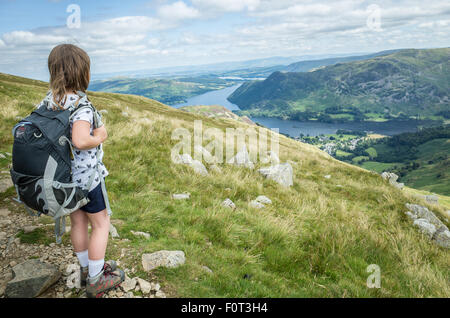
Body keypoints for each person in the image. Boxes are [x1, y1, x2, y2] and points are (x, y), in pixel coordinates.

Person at [45, 43, 124, 298]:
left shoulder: (50, 102)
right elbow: (80, 140)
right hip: (87, 179)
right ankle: (96, 278)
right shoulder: (82, 106)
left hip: (63, 179)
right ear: (82, 74)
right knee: (101, 224)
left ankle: (83, 270)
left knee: (77, 221)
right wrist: (100, 135)